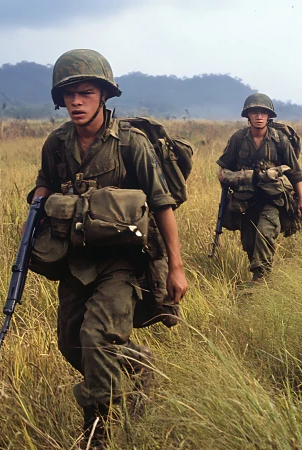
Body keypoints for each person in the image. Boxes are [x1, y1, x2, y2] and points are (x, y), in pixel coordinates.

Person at [26, 49, 188, 449]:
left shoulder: (131, 144)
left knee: (97, 339)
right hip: (75, 260)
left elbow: (162, 204)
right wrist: (42, 199)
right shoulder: (57, 144)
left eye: (85, 93)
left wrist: (176, 267)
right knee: (71, 342)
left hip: (123, 262)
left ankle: (96, 436)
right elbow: (46, 180)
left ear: (103, 95)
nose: (76, 103)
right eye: (69, 96)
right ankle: (138, 364)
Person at [216, 93, 302, 281]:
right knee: (249, 243)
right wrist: (236, 178)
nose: (259, 117)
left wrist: (301, 201)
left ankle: (260, 281)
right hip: (246, 200)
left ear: (269, 116)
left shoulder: (280, 140)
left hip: (272, 199)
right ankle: (259, 275)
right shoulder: (238, 139)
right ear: (247, 115)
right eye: (254, 112)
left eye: (263, 113)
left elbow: (295, 173)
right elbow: (223, 169)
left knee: (265, 235)